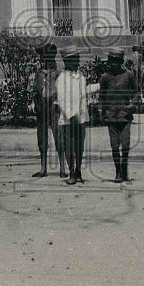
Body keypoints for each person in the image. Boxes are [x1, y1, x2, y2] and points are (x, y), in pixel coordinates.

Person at [97, 47, 140, 184]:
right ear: (109, 62)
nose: (114, 64)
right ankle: (118, 172)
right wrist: (101, 111)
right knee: (114, 146)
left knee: (125, 145)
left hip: (125, 115)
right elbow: (102, 97)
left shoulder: (129, 75)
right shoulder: (105, 78)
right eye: (112, 61)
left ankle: (124, 168)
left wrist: (132, 104)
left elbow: (137, 93)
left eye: (117, 61)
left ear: (121, 61)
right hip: (111, 117)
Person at [32, 43, 65, 179]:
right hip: (42, 109)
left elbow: (62, 89)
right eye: (42, 57)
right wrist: (36, 102)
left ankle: (63, 167)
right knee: (42, 138)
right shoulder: (39, 73)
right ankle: (43, 167)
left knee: (59, 137)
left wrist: (57, 101)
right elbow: (35, 90)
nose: (42, 60)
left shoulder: (58, 72)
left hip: (54, 108)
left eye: (44, 57)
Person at [55, 46, 88, 185]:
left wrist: (82, 114)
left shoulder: (80, 76)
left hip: (80, 118)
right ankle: (72, 172)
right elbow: (61, 100)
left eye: (78, 58)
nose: (77, 61)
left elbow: (83, 95)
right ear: (66, 61)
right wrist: (70, 115)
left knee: (80, 146)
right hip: (68, 120)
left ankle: (79, 169)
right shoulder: (62, 78)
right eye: (74, 59)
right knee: (69, 146)